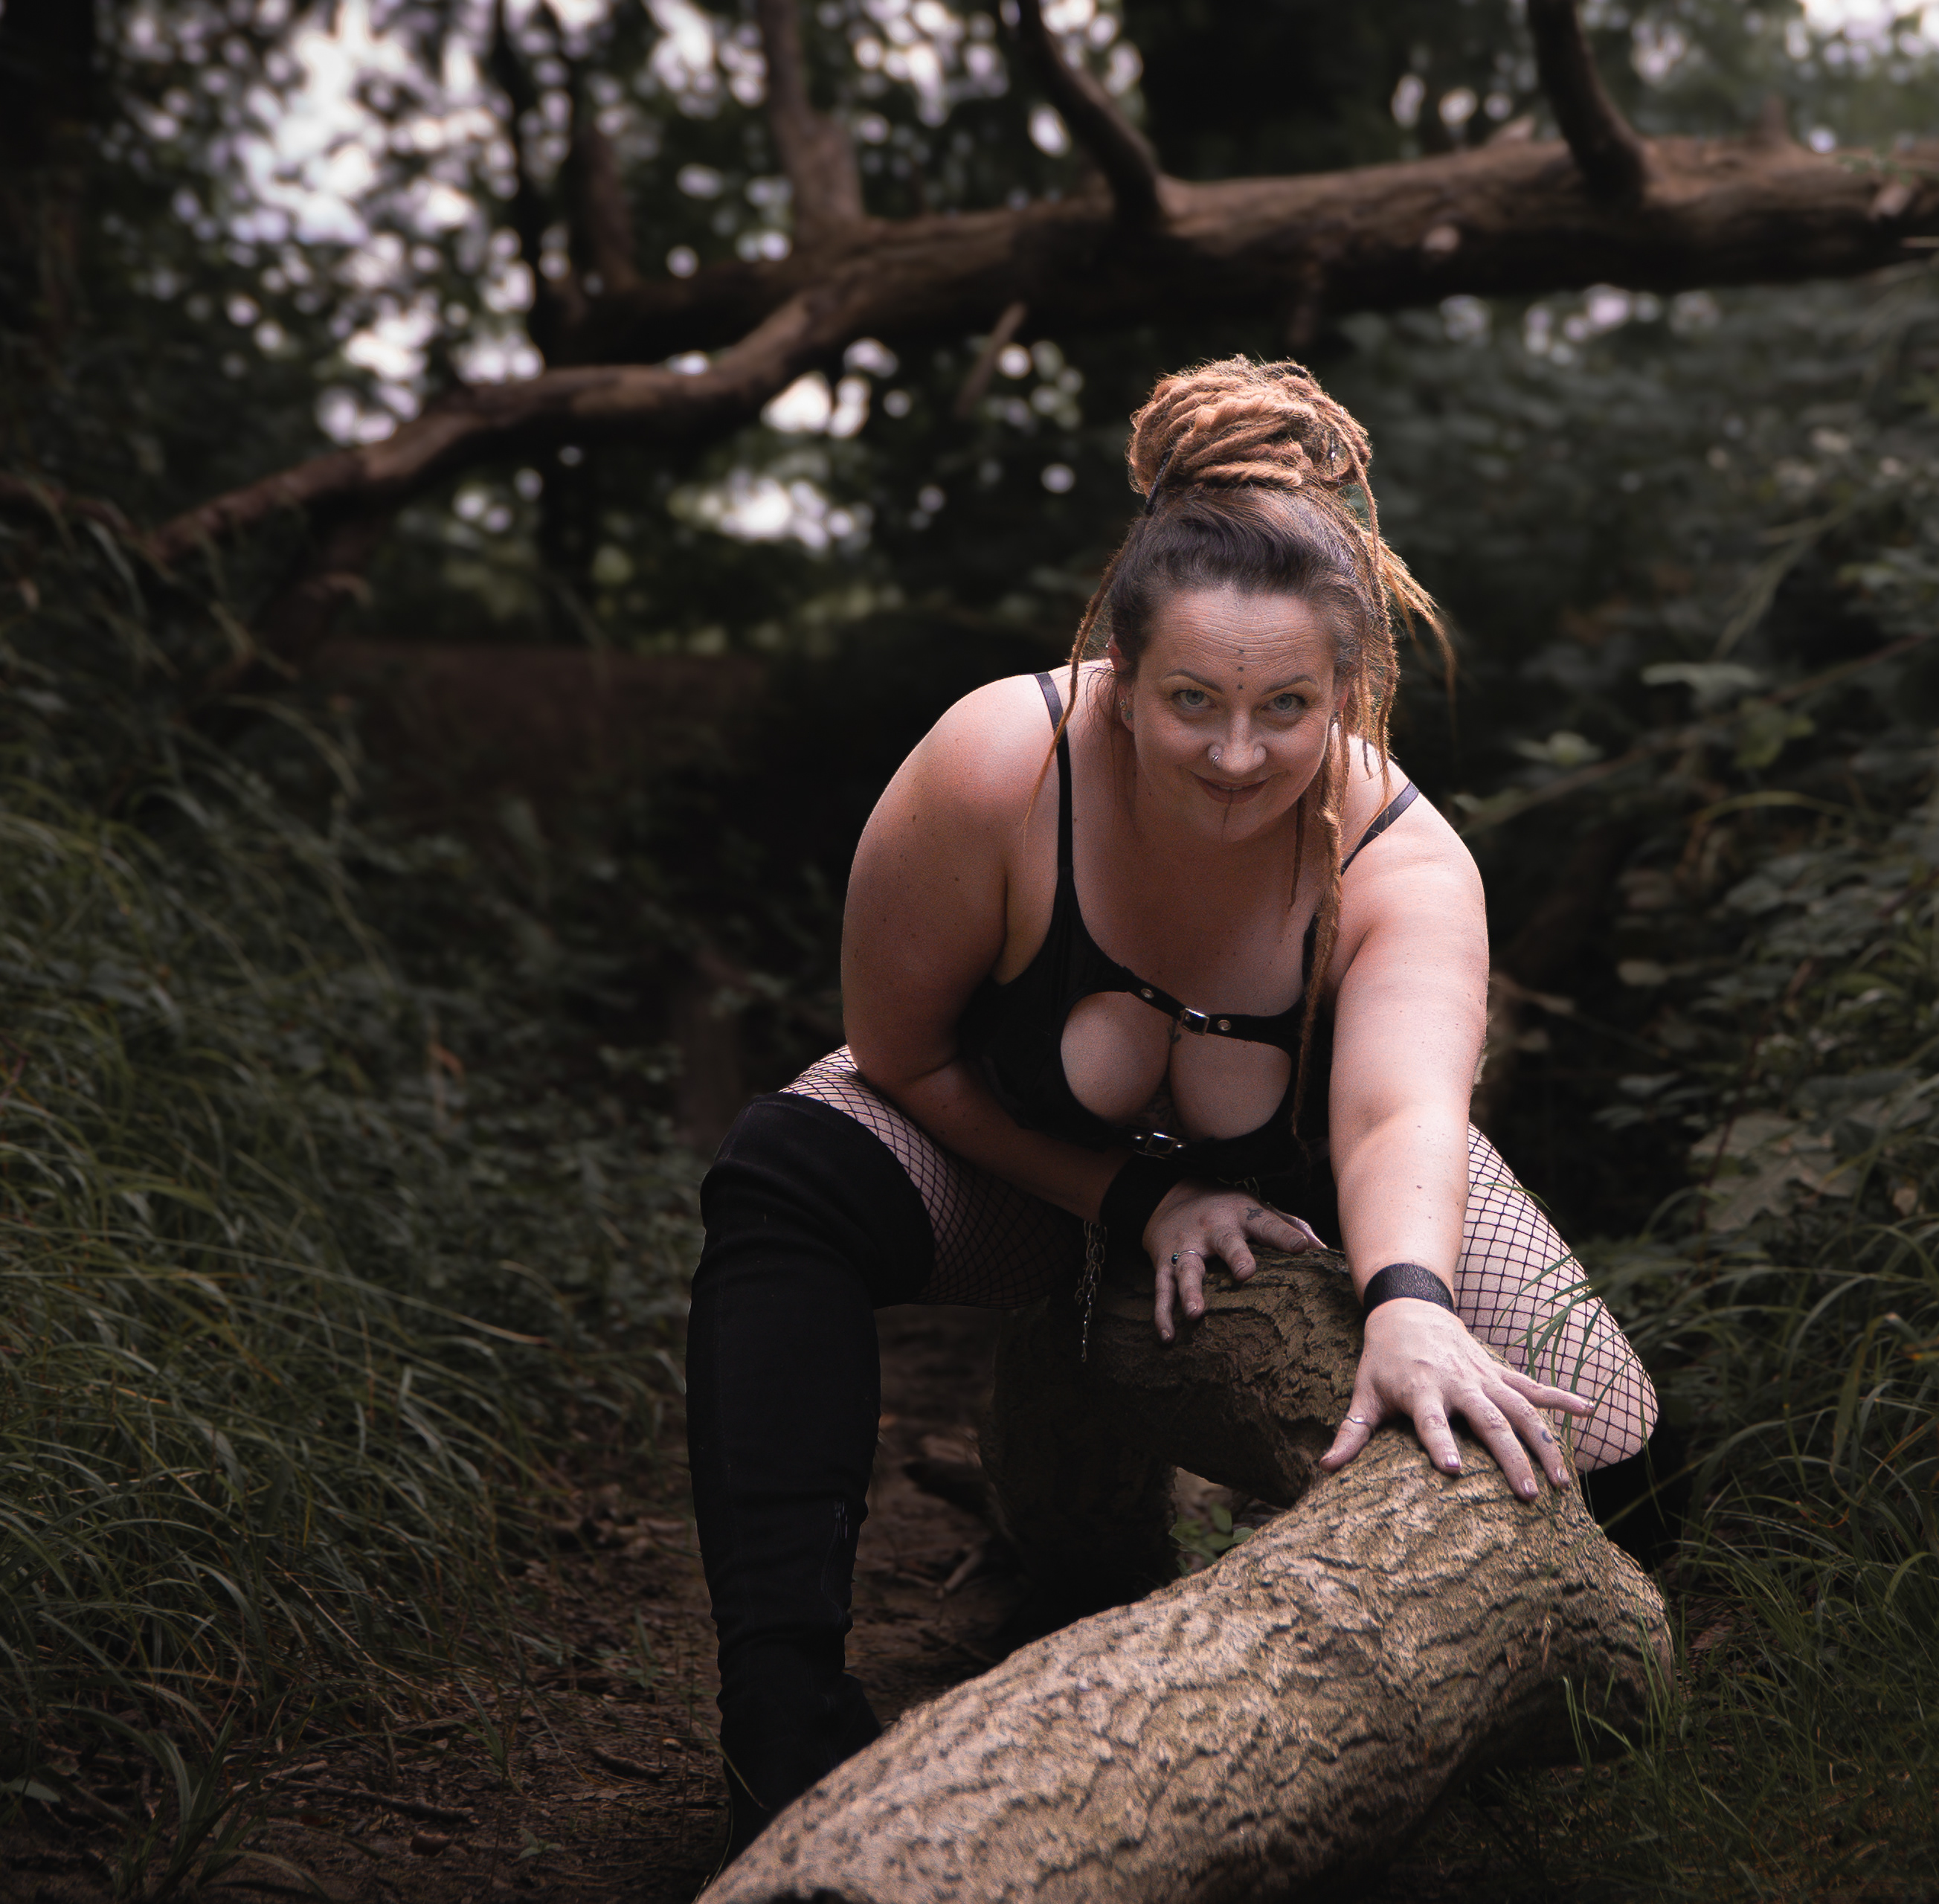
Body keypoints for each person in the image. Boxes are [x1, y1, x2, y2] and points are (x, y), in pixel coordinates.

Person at [684, 356, 1663, 1856]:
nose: (1236, 753)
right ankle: (782, 1719)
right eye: (1192, 700)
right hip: (1014, 1166)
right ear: (1119, 673)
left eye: (1287, 708)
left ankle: (1492, 1729)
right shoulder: (1001, 765)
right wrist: (1133, 1199)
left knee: (1608, 1428)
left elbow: (1401, 1114)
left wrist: (1408, 1299)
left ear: (1350, 695)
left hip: (1298, 1191)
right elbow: (898, 1055)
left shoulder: (1404, 857)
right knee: (780, 1175)